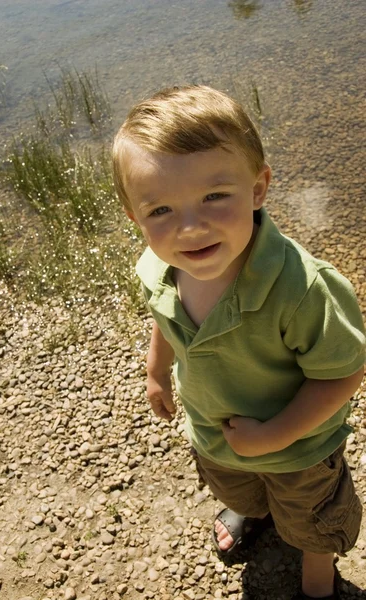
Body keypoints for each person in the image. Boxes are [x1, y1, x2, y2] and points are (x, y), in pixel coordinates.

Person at [111, 85, 365, 600]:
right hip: (214, 432)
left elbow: (342, 372)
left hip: (299, 449)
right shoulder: (158, 267)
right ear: (134, 218)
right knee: (236, 486)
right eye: (160, 210)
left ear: (258, 188)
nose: (190, 226)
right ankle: (252, 512)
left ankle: (320, 581)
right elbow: (166, 317)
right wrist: (155, 370)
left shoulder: (301, 288)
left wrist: (275, 435)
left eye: (214, 196)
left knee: (313, 517)